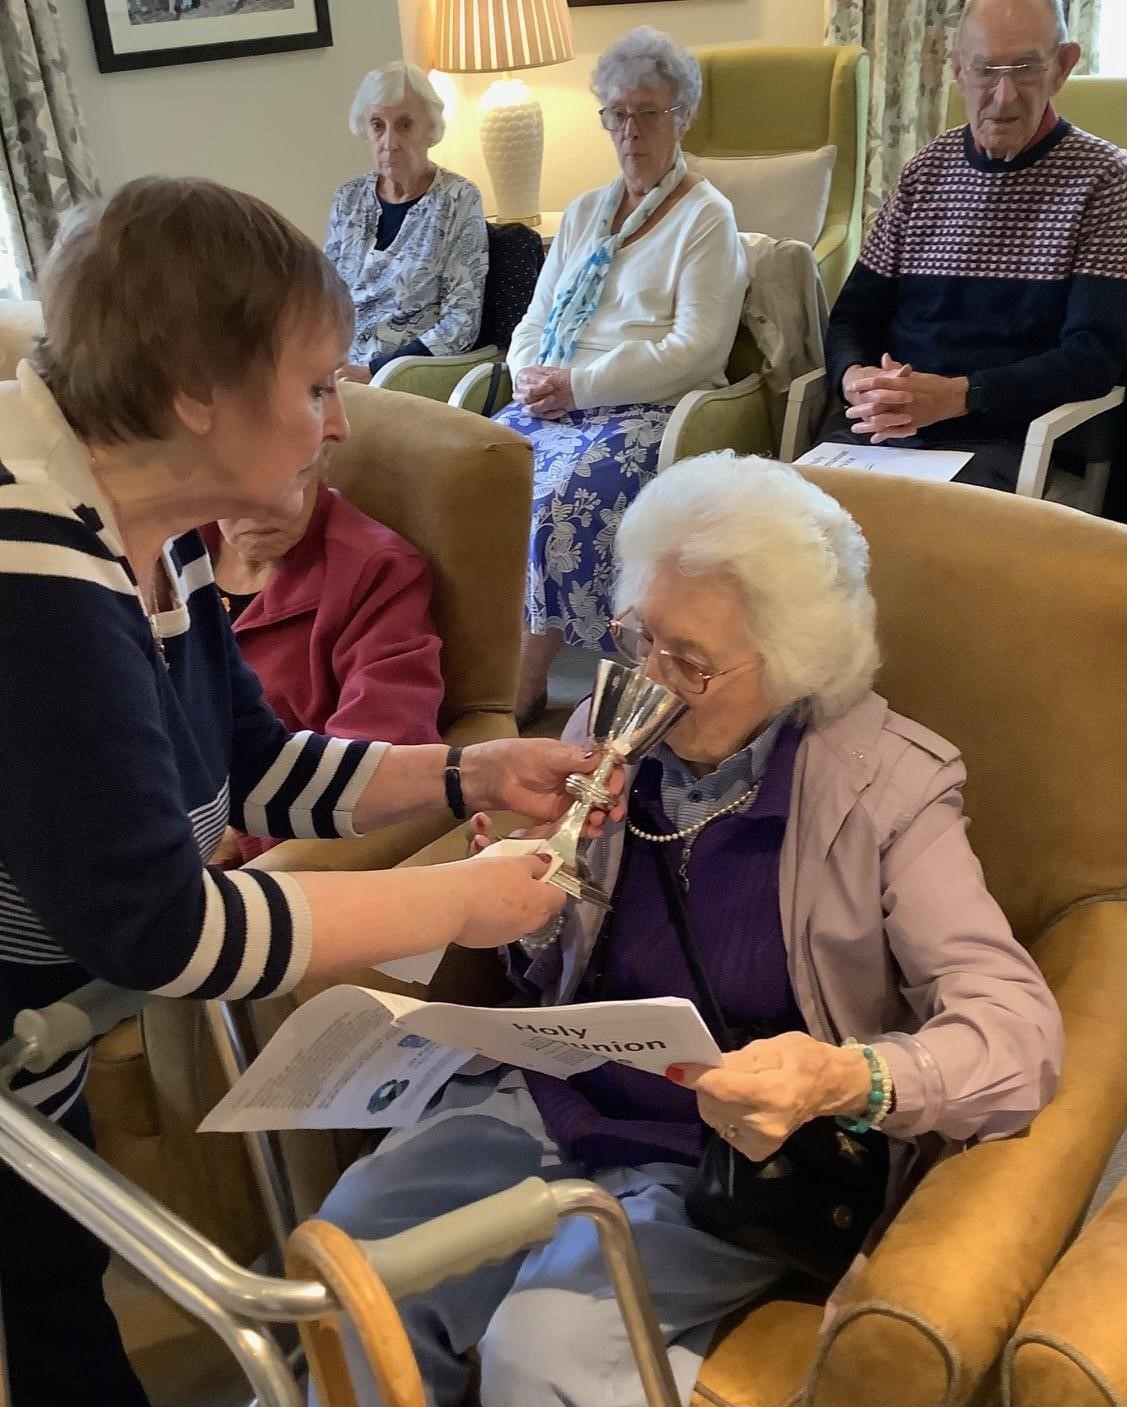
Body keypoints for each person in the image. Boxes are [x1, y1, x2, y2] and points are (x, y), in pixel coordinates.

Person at [0, 176, 610, 1407]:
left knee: (45, 1281)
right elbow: (158, 930)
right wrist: (458, 896)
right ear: (195, 391)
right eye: (317, 384)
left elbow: (257, 764)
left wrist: (470, 778)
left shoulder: (152, 530)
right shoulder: (33, 567)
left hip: (36, 1010)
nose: (334, 426)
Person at [308, 452, 1063, 1407]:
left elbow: (1016, 1033)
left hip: (720, 1151)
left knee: (546, 1350)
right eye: (639, 639)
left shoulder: (888, 792)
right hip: (555, 1093)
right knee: (354, 1243)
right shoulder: (605, 726)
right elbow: (554, 977)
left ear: (793, 661)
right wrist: (530, 908)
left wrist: (847, 1075)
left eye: (690, 662)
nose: (649, 683)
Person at [501, 27, 747, 725]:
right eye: (617, 113)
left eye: (648, 113)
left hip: (642, 411)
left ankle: (524, 679)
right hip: (552, 400)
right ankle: (464, 661)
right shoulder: (582, 213)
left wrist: (580, 385)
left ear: (681, 117)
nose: (630, 130)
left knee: (559, 500)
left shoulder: (707, 219)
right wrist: (528, 375)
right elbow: (534, 318)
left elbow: (697, 349)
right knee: (476, 473)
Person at [821, 0, 1127, 492]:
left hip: (1009, 443)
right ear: (957, 71)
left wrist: (958, 396)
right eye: (986, 70)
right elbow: (850, 318)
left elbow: (1092, 358)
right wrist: (855, 377)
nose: (1004, 95)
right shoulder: (925, 171)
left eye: (1027, 68)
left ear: (1063, 66)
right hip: (877, 437)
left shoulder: (1100, 177)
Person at [204, 456, 444, 860]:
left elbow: (384, 747)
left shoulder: (375, 570)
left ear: (320, 461)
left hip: (256, 836)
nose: (265, 509)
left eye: (286, 480)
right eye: (239, 487)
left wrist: (237, 829)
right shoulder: (172, 544)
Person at [325, 62, 488, 384]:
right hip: (339, 374)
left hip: (408, 377)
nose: (389, 141)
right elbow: (325, 304)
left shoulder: (457, 198)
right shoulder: (349, 199)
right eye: (377, 125)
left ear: (430, 129)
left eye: (404, 125)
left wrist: (373, 371)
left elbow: (461, 324)